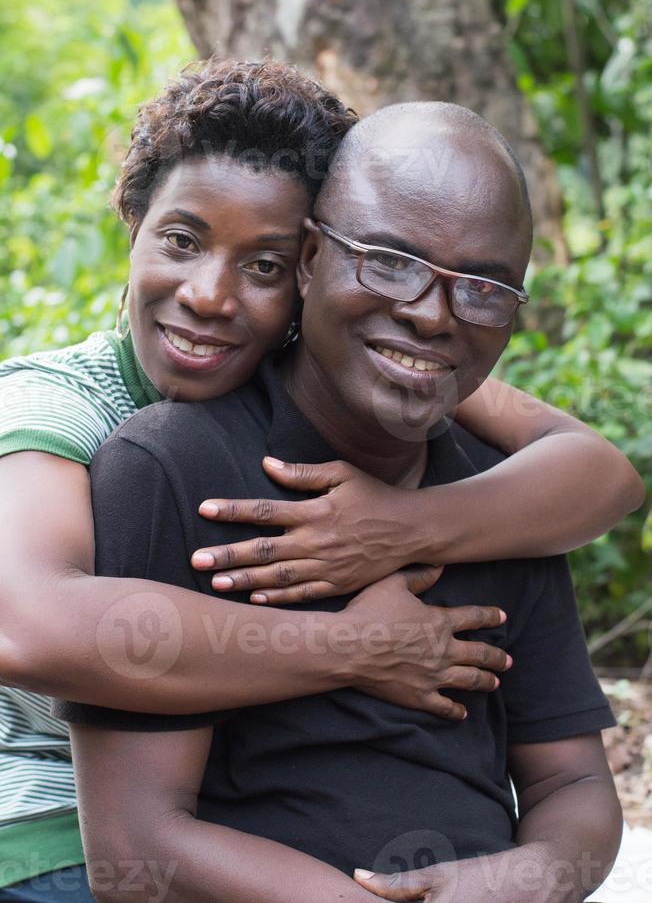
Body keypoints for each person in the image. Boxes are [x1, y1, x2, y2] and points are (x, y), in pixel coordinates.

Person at [56, 102, 622, 903]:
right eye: (391, 261)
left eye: (484, 289)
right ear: (311, 260)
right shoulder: (172, 465)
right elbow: (134, 847)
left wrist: (529, 878)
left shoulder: (505, 497)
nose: (432, 315)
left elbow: (574, 787)